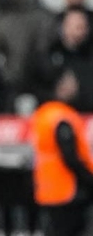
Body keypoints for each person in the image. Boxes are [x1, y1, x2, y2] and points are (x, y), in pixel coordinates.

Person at [31, 69, 93, 236]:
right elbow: (71, 157)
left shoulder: (44, 113)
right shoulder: (62, 117)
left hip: (48, 191)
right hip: (68, 192)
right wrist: (89, 179)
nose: (75, 85)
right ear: (61, 86)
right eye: (70, 81)